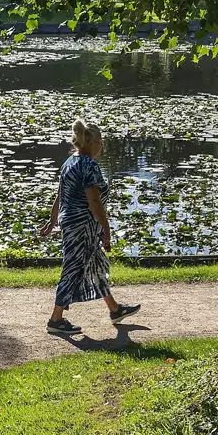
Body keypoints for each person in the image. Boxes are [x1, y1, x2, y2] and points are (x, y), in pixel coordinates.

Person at [38, 119, 141, 334]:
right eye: (100, 141)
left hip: (73, 223)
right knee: (73, 268)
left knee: (94, 265)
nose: (102, 146)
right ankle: (56, 320)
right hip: (82, 226)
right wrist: (106, 229)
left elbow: (60, 196)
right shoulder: (88, 165)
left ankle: (114, 309)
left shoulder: (69, 162)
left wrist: (53, 219)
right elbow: (93, 201)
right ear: (91, 142)